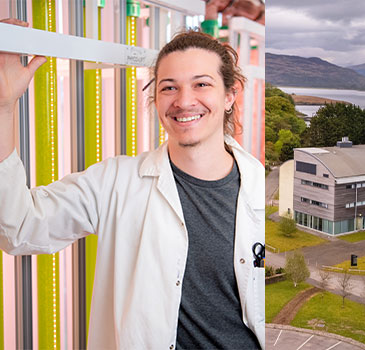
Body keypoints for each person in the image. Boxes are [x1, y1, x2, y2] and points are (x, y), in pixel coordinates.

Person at [0, 18, 264, 349]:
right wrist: (3, 106)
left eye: (201, 84)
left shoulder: (262, 188)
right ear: (156, 97)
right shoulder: (116, 183)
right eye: (169, 87)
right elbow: (18, 228)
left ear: (230, 94)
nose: (183, 101)